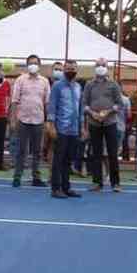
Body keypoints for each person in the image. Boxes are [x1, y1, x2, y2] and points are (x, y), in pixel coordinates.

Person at [84, 57, 124, 192]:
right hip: (93, 123)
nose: (100, 67)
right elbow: (84, 104)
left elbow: (120, 104)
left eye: (103, 65)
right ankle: (97, 183)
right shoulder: (89, 85)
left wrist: (108, 111)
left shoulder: (113, 85)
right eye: (98, 65)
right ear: (95, 67)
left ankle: (115, 183)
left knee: (112, 153)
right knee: (96, 154)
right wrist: (92, 113)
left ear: (107, 68)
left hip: (110, 123)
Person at [10, 54, 50, 188]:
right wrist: (13, 120)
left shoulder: (44, 81)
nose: (33, 65)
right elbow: (14, 101)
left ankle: (36, 177)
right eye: (31, 63)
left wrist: (48, 121)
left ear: (39, 65)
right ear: (27, 65)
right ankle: (17, 177)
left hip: (39, 120)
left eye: (35, 63)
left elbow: (47, 103)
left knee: (37, 151)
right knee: (21, 150)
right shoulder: (20, 80)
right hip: (23, 120)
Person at [47, 60, 85, 199]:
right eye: (68, 68)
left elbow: (80, 107)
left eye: (73, 68)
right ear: (64, 70)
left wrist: (82, 126)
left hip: (74, 129)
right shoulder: (57, 86)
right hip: (61, 128)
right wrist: (51, 125)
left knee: (69, 160)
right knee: (58, 159)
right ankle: (56, 188)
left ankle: (66, 187)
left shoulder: (78, 87)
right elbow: (52, 106)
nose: (71, 71)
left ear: (77, 70)